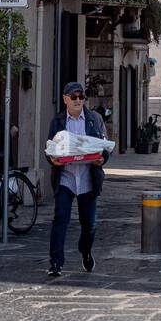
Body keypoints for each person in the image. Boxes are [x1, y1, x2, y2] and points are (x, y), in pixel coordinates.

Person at [45, 82, 110, 279]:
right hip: (66, 177)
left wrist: (102, 159)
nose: (78, 101)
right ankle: (56, 263)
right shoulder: (57, 122)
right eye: (74, 97)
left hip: (88, 179)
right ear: (65, 99)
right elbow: (49, 148)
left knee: (89, 224)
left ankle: (85, 251)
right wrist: (52, 159)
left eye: (81, 97)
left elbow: (105, 147)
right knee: (60, 220)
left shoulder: (94, 119)